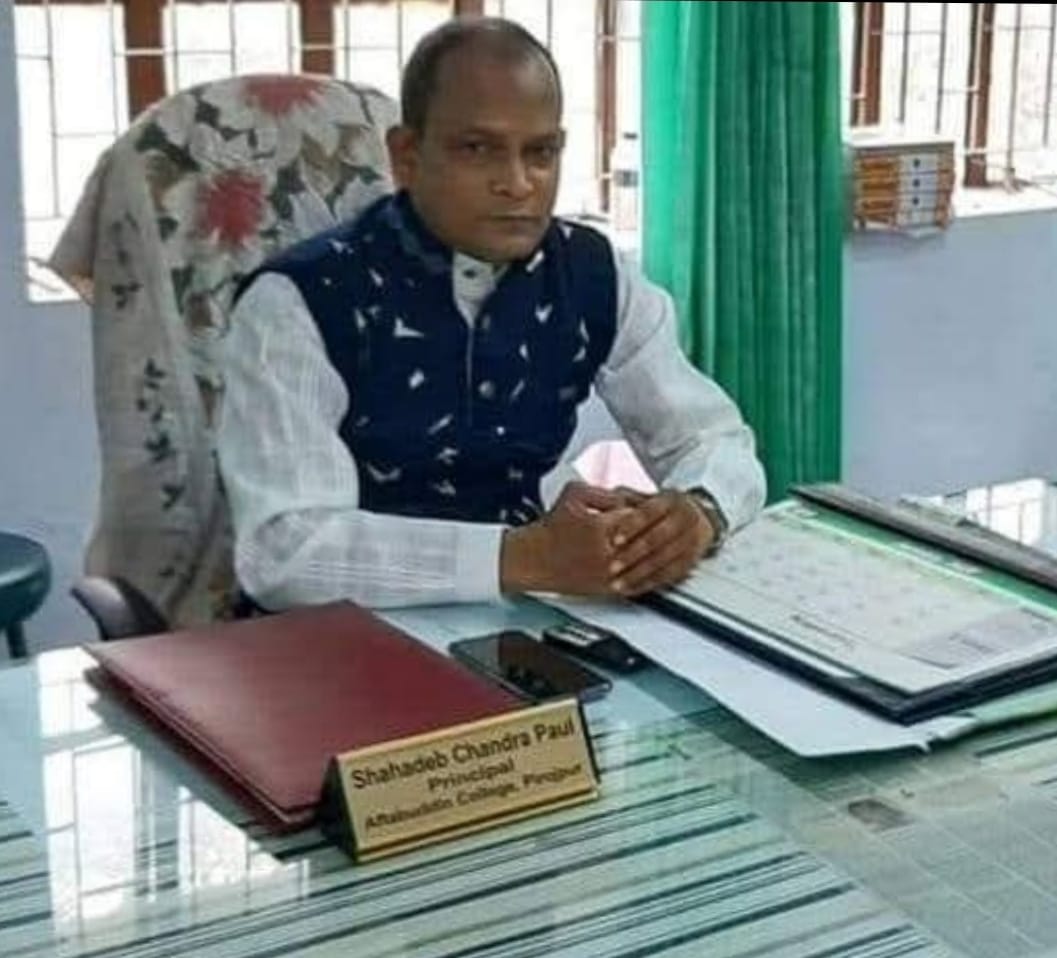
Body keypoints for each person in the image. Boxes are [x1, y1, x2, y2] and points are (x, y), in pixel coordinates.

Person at [218, 17, 766, 612]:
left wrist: (698, 511)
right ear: (406, 155)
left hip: (536, 621)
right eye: (478, 149)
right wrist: (524, 557)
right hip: (340, 639)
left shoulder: (591, 273)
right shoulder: (300, 301)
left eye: (541, 153)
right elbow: (285, 550)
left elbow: (712, 436)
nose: (517, 183)